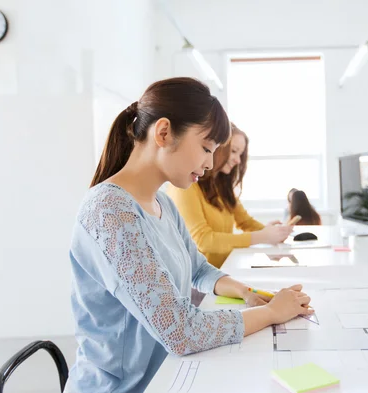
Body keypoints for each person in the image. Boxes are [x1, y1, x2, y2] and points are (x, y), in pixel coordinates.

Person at [66, 78, 313, 393]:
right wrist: (270, 313)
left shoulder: (162, 203)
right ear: (164, 132)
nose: (210, 164)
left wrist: (247, 292)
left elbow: (198, 268)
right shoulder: (110, 211)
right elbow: (180, 331)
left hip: (168, 376)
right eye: (207, 148)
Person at [167, 124, 293, 268]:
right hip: (197, 280)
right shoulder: (186, 187)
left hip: (222, 272)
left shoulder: (222, 188)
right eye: (234, 151)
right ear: (215, 148)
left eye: (240, 154)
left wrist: (274, 233)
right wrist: (263, 236)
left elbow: (246, 222)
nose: (238, 160)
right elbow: (203, 240)